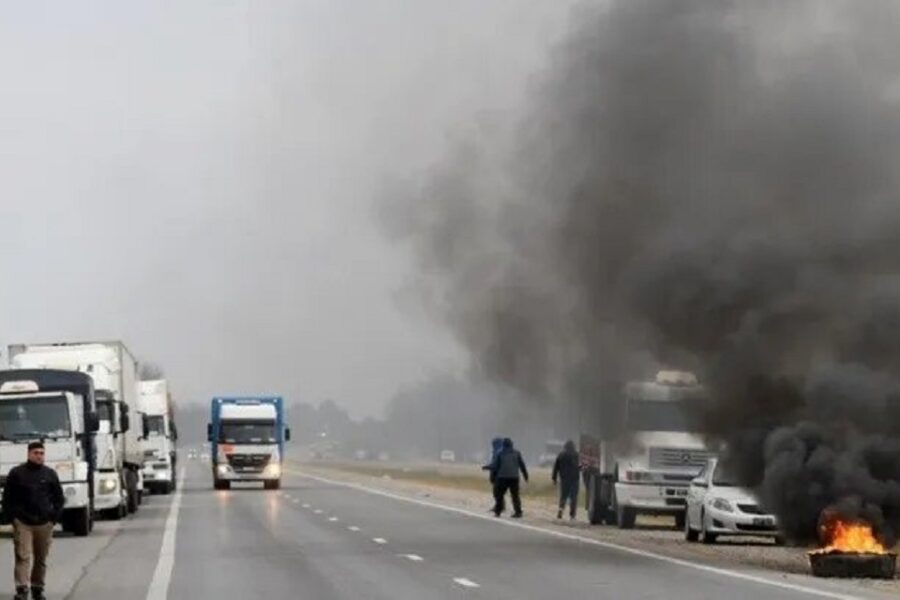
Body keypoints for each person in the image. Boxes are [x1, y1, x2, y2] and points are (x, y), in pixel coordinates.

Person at [2, 442, 64, 600]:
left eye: (42, 453)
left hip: (44, 523)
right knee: (23, 555)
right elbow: (8, 498)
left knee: (41, 557)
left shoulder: (49, 474)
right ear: (29, 454)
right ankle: (22, 589)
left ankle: (38, 587)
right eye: (36, 453)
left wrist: (53, 518)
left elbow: (59, 498)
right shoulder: (17, 473)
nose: (39, 456)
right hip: (23, 522)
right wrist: (12, 518)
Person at [490, 438, 529, 518]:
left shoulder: (499, 453)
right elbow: (522, 465)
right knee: (515, 495)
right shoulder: (517, 453)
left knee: (499, 494)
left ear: (503, 445)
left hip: (503, 477)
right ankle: (518, 512)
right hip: (514, 477)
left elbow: (496, 466)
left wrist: (493, 477)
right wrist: (525, 475)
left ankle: (498, 511)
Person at [552, 440, 581, 520]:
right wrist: (580, 470)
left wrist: (554, 478)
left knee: (563, 496)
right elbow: (578, 466)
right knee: (573, 498)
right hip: (574, 480)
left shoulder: (561, 455)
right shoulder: (576, 455)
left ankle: (560, 511)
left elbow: (556, 467)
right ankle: (572, 515)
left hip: (564, 479)